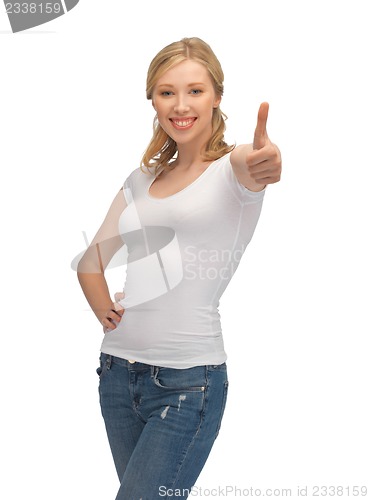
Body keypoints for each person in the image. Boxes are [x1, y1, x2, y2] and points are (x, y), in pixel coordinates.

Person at [77, 36, 281, 499]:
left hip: (188, 384)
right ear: (152, 99)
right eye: (167, 92)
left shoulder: (234, 170)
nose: (181, 104)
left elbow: (260, 163)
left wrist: (268, 161)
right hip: (116, 375)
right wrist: (103, 310)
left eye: (195, 90)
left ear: (217, 97)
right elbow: (91, 263)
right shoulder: (141, 179)